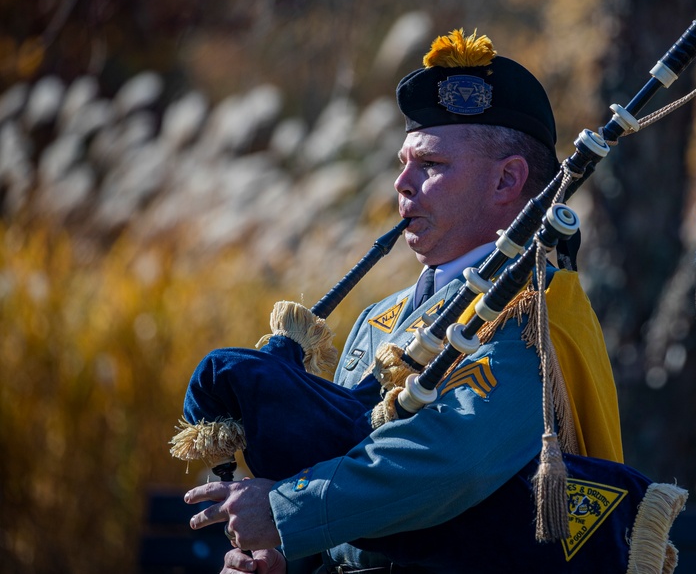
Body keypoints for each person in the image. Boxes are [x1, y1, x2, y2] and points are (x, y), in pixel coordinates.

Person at [183, 29, 624, 573]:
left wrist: (283, 510)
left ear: (507, 180)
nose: (402, 184)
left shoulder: (533, 313)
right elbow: (339, 486)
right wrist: (281, 563)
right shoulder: (378, 319)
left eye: (431, 166)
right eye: (403, 162)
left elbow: (452, 462)